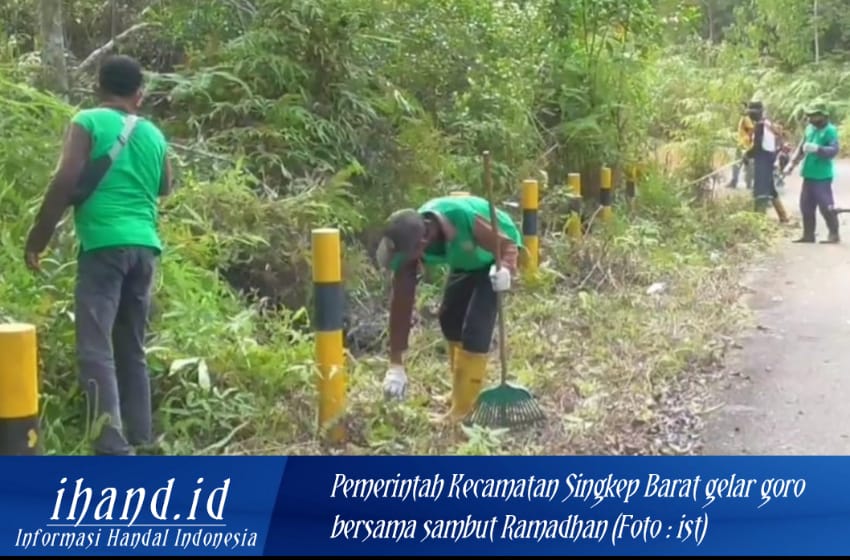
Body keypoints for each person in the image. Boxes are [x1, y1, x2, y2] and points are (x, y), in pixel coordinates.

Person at [24, 54, 172, 455]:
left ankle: (109, 446)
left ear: (98, 87)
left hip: (104, 246)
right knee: (132, 346)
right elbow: (164, 187)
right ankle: (141, 436)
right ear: (138, 95)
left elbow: (65, 181)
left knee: (95, 345)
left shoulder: (87, 121)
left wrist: (38, 238)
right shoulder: (155, 135)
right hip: (145, 248)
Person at [375, 195, 522, 423]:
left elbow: (507, 245)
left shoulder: (464, 219)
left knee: (476, 329)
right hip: (466, 261)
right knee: (449, 319)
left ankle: (464, 409)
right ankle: (458, 391)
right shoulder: (409, 238)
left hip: (494, 256)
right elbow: (401, 303)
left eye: (405, 257)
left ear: (422, 243)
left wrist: (506, 270)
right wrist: (395, 364)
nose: (403, 262)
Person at [783, 103, 840, 243]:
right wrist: (792, 164)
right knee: (806, 206)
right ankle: (808, 235)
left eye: (814, 115)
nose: (810, 118)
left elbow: (833, 151)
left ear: (823, 115)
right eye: (810, 115)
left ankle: (834, 234)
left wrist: (818, 149)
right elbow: (801, 148)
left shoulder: (830, 131)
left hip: (822, 176)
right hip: (808, 173)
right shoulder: (809, 129)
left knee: (826, 206)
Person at [745, 101, 789, 222]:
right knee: (770, 189)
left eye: (753, 113)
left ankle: (759, 220)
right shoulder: (767, 123)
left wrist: (747, 155)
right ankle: (783, 216)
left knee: (761, 191)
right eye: (750, 113)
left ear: (759, 112)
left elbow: (757, 146)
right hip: (769, 158)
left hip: (763, 159)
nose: (751, 115)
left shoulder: (760, 126)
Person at [727, 102, 754, 190]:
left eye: (743, 108)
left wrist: (746, 140)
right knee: (739, 165)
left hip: (745, 146)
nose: (741, 109)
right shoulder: (744, 118)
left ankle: (744, 183)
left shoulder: (746, 118)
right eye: (740, 108)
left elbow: (750, 130)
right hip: (742, 144)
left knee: (742, 164)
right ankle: (739, 182)